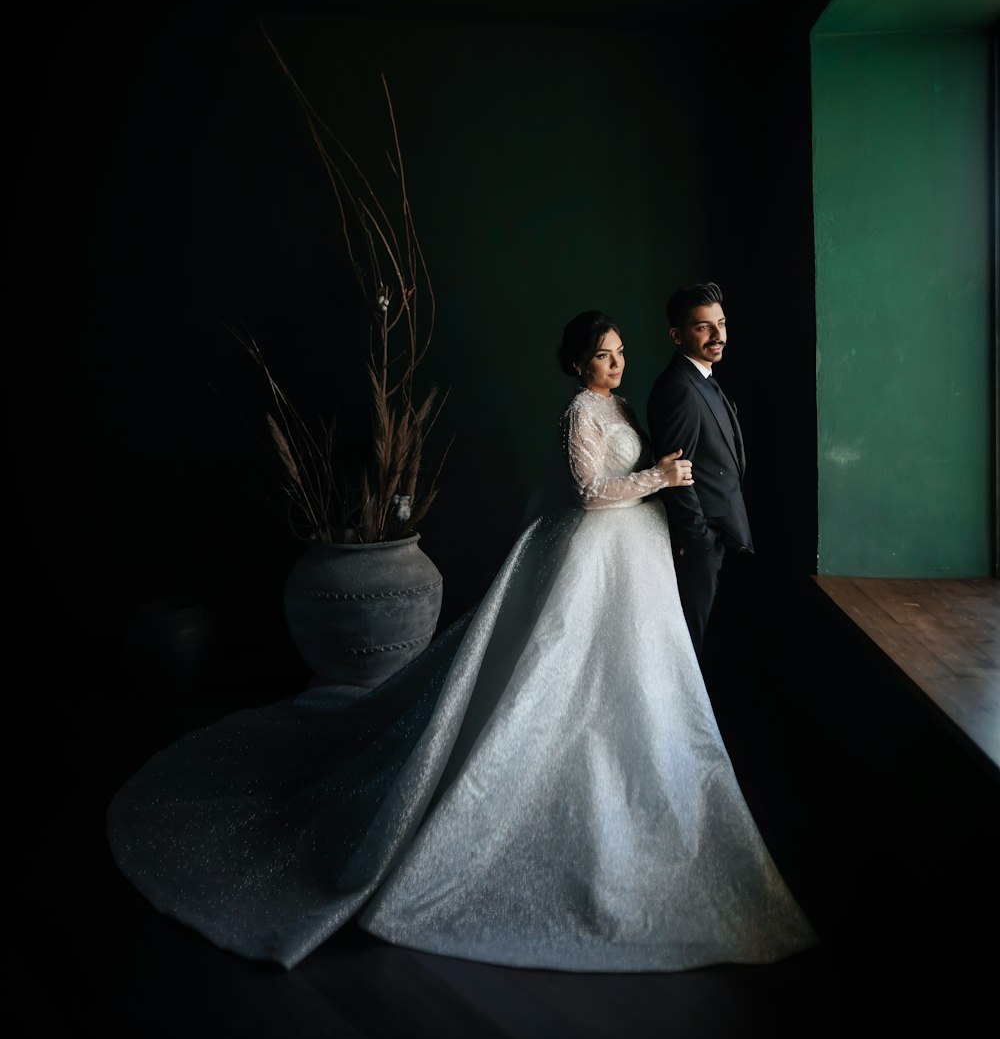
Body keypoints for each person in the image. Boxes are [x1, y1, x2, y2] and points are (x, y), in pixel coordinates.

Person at [107, 310, 814, 972]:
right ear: (577, 364)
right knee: (553, 675)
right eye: (603, 356)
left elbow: (626, 483)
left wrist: (662, 488)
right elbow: (588, 493)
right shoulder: (578, 411)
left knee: (639, 677)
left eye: (621, 354)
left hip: (635, 555)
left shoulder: (624, 408)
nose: (615, 365)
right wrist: (658, 476)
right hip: (589, 550)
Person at [647, 282, 752, 658]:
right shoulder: (679, 388)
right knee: (686, 650)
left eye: (721, 323)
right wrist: (700, 542)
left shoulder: (702, 377)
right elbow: (675, 474)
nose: (718, 335)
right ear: (676, 335)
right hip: (698, 544)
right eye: (703, 327)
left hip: (715, 538)